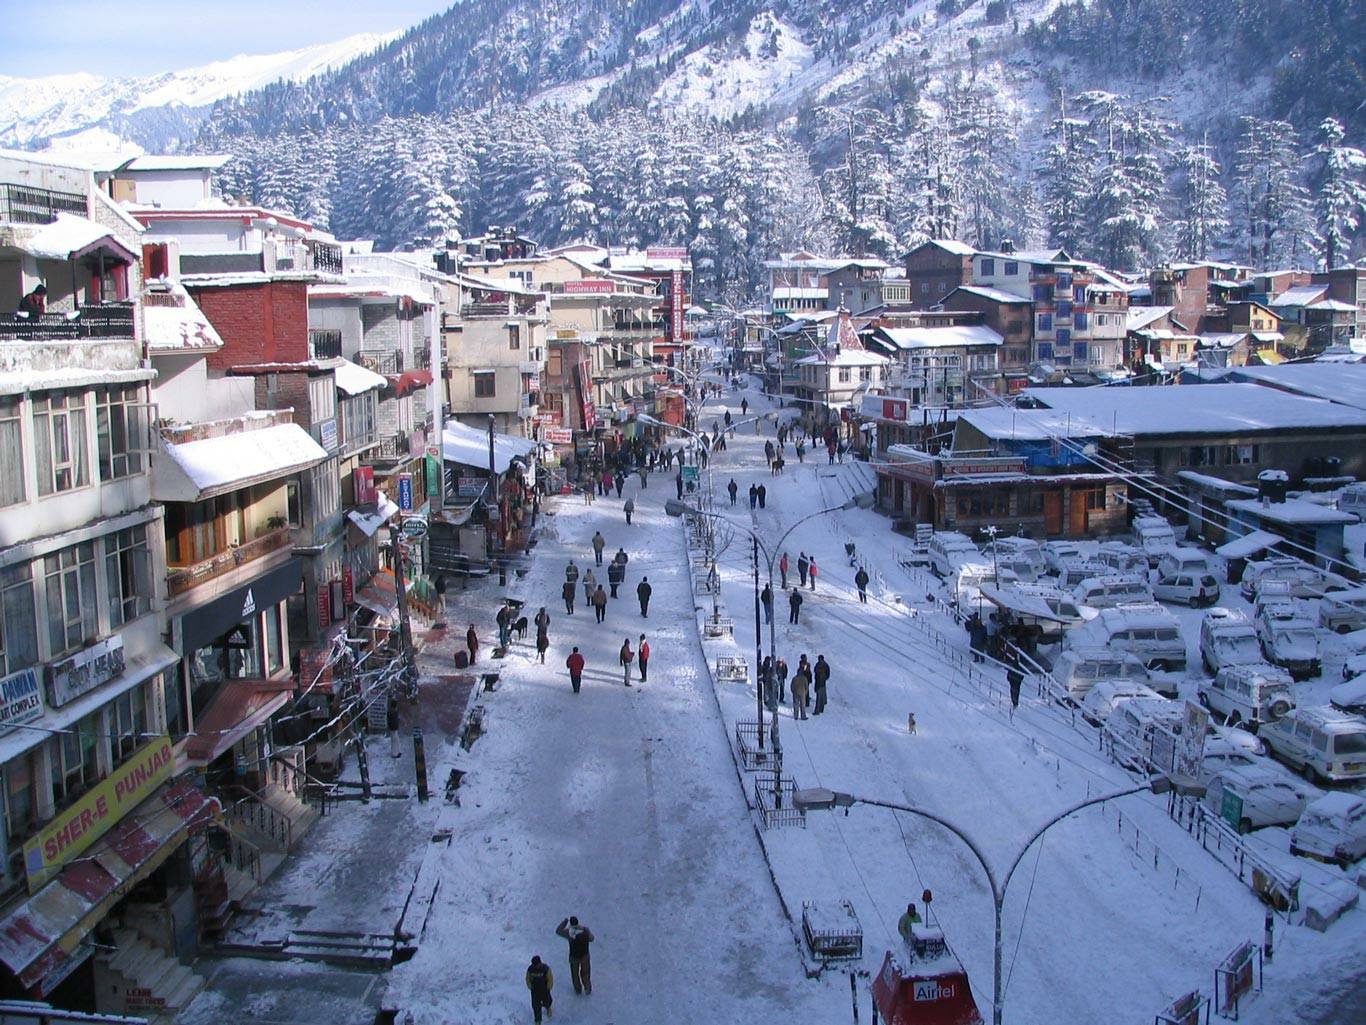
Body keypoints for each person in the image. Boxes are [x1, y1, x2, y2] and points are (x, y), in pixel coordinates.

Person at [556, 917, 594, 996]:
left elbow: (558, 931)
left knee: (575, 974)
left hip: (573, 956)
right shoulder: (585, 930)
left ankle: (578, 989)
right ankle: (587, 988)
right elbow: (591, 938)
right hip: (585, 955)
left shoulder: (569, 932)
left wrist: (565, 921)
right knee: (586, 973)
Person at [526, 955, 554, 1023]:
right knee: (536, 1006)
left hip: (544, 989)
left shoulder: (545, 969)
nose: (536, 966)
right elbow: (528, 979)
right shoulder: (530, 969)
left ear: (540, 963)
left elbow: (550, 978)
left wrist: (549, 987)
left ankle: (548, 1007)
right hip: (535, 990)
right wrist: (530, 986)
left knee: (547, 1001)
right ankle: (538, 1020)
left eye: (537, 964)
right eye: (534, 965)